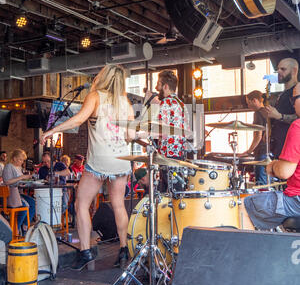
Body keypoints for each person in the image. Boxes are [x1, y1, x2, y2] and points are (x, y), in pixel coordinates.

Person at [40, 64, 135, 271]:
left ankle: (85, 251)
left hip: (99, 160)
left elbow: (79, 119)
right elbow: (130, 136)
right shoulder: (125, 103)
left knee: (81, 205)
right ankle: (123, 249)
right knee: (118, 204)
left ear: (104, 76)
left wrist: (52, 130)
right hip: (120, 159)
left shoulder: (96, 96)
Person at [244, 82, 300, 230]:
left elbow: (284, 172)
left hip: (296, 201)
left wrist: (273, 165)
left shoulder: (298, 126)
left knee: (245, 205)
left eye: (294, 99)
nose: (293, 105)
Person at [155, 69, 189, 192]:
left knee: (167, 193)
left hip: (167, 154)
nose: (156, 87)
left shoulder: (165, 103)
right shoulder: (182, 105)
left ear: (165, 86)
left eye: (158, 84)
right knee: (176, 191)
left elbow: (159, 128)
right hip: (179, 154)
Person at [266, 58, 299, 159]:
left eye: (283, 69)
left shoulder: (297, 91)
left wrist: (280, 116)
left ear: (294, 71)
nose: (279, 72)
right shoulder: (283, 93)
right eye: (278, 69)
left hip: (292, 148)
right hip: (280, 147)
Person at [2, 149, 36, 235]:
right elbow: (7, 182)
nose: (21, 162)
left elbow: (18, 181)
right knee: (25, 206)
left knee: (33, 202)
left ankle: (24, 226)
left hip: (17, 193)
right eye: (20, 159)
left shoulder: (19, 168)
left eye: (22, 160)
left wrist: (25, 180)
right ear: (14, 158)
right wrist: (21, 178)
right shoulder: (8, 167)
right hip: (9, 195)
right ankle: (15, 228)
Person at [239, 90, 268, 185]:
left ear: (255, 100)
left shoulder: (258, 113)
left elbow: (258, 135)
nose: (248, 106)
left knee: (261, 184)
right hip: (269, 152)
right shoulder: (268, 112)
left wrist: (248, 151)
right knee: (268, 183)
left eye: (249, 103)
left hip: (261, 152)